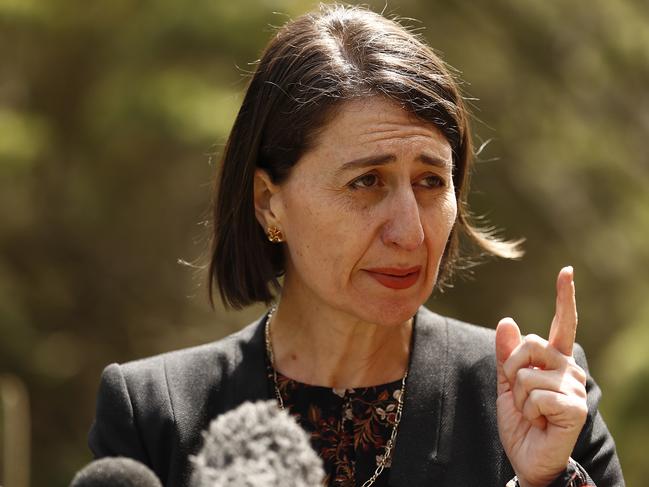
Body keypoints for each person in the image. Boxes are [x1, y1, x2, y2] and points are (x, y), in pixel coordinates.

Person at [88, 5, 624, 487]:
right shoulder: (156, 415)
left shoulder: (539, 402)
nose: (410, 232)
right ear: (268, 201)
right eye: (366, 182)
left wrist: (543, 482)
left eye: (431, 182)